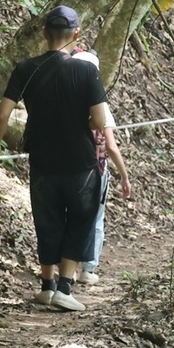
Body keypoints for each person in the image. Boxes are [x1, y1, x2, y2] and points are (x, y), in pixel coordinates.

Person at [0, 5, 108, 312]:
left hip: (41, 158)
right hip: (80, 160)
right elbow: (99, 120)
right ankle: (65, 288)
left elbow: (2, 114)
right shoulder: (85, 70)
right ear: (76, 34)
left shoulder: (26, 68)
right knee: (79, 220)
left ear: (44, 33)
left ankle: (46, 285)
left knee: (48, 219)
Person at [69, 49, 131, 286]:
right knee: (94, 219)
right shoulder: (98, 105)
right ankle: (88, 268)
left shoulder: (64, 102)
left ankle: (69, 270)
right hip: (96, 170)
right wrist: (124, 176)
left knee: (70, 217)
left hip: (67, 168)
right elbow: (112, 147)